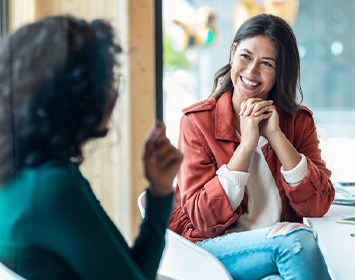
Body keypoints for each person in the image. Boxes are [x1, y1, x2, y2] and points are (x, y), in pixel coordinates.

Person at [0, 15, 183, 279]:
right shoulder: (51, 188)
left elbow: (133, 272)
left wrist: (160, 190)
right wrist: (160, 196)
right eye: (110, 81)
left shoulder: (25, 173)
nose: (113, 94)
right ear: (78, 95)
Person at [169, 13, 334, 280]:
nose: (252, 72)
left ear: (281, 71)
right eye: (246, 56)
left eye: (266, 63)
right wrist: (246, 146)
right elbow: (202, 218)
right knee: (298, 242)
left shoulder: (298, 122)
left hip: (271, 251)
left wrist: (276, 136)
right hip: (211, 249)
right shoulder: (197, 122)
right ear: (233, 52)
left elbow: (318, 204)